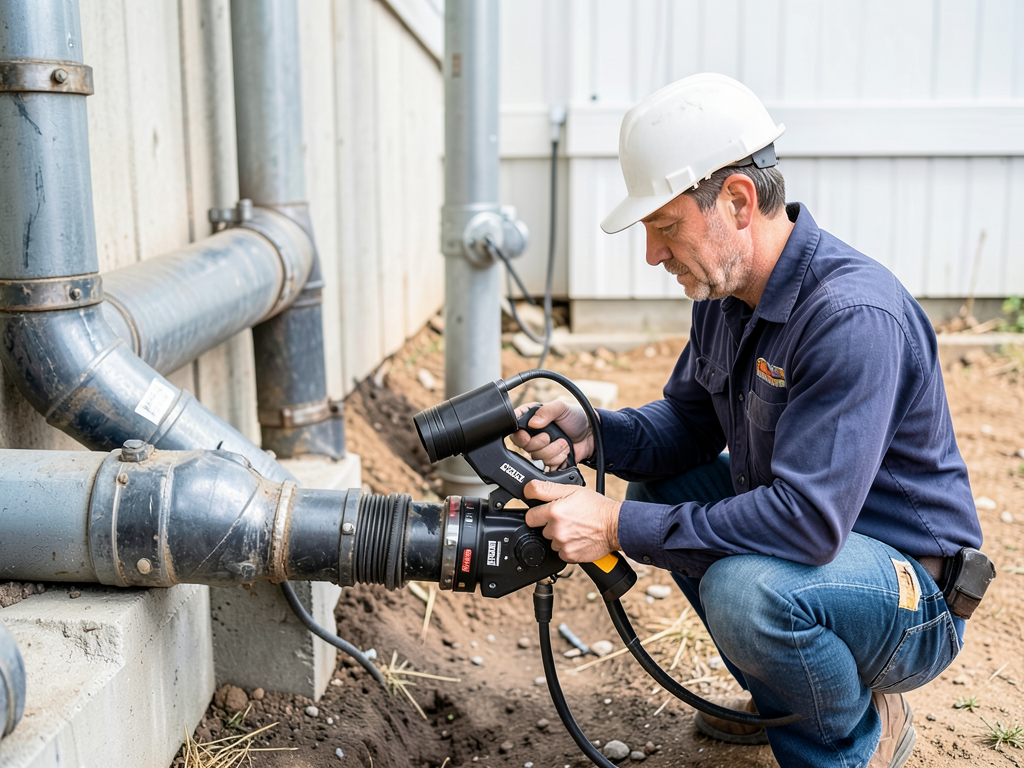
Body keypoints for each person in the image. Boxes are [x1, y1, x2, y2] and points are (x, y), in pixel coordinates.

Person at [512, 73, 984, 768]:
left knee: (745, 591)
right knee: (663, 489)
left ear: (736, 200)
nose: (652, 254)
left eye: (665, 227)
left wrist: (611, 526)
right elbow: (690, 428)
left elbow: (806, 522)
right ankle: (794, 699)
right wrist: (592, 433)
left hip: (913, 597)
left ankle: (848, 741)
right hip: (831, 561)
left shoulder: (852, 318)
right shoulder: (725, 297)